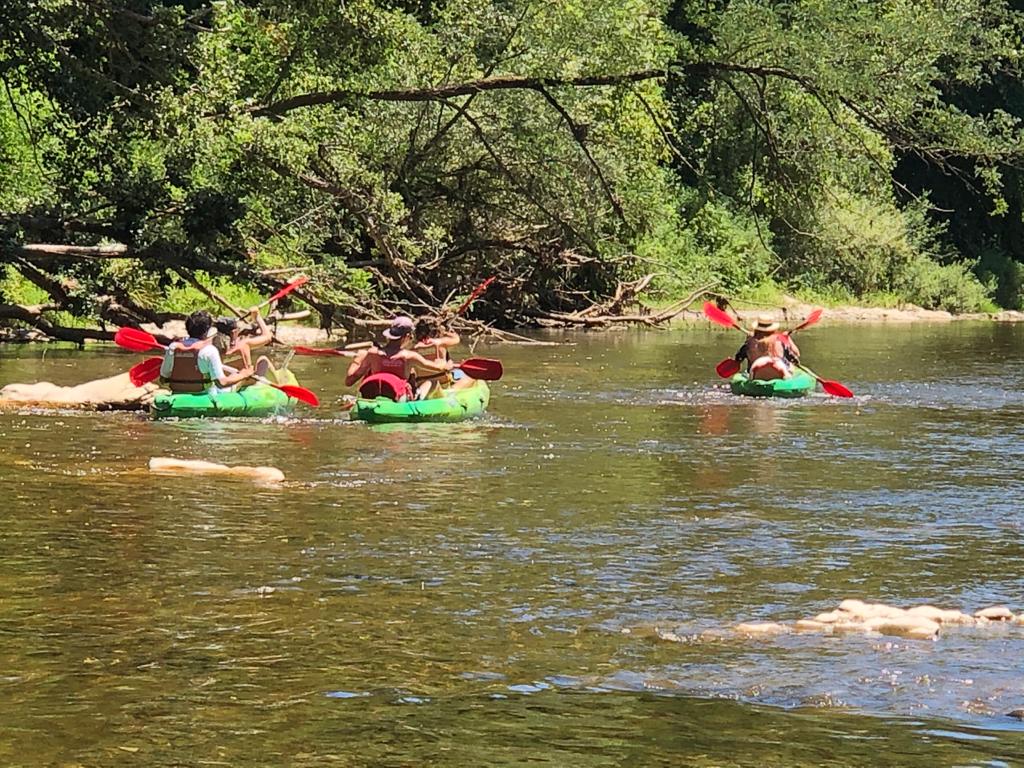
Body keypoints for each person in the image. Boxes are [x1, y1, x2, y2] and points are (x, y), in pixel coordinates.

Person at [345, 316, 451, 400]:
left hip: (374, 394)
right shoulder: (409, 356)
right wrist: (445, 364)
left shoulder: (372, 353)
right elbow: (438, 368)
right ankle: (422, 401)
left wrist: (357, 360)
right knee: (432, 382)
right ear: (407, 336)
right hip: (398, 398)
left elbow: (349, 381)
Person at [159, 309, 254, 394]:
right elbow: (221, 383)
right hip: (205, 396)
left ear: (187, 328)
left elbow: (163, 379)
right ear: (207, 330)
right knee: (238, 381)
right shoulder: (209, 350)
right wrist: (244, 374)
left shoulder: (173, 347)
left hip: (178, 394)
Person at [412, 319, 474, 398]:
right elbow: (456, 339)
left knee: (455, 372)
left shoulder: (412, 349)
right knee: (471, 377)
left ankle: (420, 393)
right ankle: (452, 391)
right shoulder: (441, 343)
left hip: (421, 382)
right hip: (443, 383)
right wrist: (445, 332)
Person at [213, 307, 275, 379]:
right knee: (263, 359)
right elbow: (268, 337)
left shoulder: (210, 347)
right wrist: (257, 317)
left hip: (224, 379)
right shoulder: (243, 344)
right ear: (234, 332)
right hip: (245, 380)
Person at [734, 315, 800, 380]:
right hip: (779, 374)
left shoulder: (748, 343)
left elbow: (738, 359)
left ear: (756, 328)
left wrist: (748, 340)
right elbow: (794, 359)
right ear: (773, 329)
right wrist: (787, 339)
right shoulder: (780, 341)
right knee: (791, 366)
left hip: (755, 375)